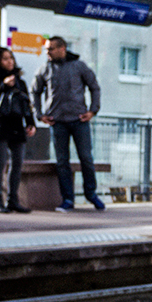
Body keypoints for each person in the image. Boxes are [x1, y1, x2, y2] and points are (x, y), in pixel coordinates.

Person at [32, 35, 104, 212]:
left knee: (86, 158)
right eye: (46, 50)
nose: (47, 53)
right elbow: (35, 92)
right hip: (58, 122)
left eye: (51, 49)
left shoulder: (79, 66)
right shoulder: (44, 69)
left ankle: (91, 194)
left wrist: (93, 110)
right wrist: (40, 114)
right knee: (62, 161)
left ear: (62, 48)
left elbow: (94, 87)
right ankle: (67, 199)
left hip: (79, 120)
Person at [0, 46, 36, 214]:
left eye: (11, 58)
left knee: (17, 164)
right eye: (5, 58)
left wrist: (30, 123)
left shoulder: (20, 81)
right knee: (0, 163)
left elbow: (27, 104)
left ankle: (13, 200)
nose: (9, 61)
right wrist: (3, 85)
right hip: (0, 125)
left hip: (17, 125)